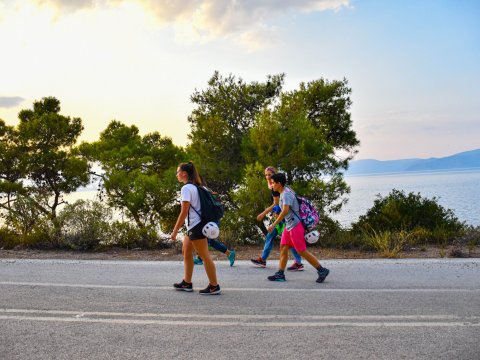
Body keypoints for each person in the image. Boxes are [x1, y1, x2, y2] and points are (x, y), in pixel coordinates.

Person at [266, 172, 330, 283]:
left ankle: (322, 270)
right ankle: (280, 274)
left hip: (295, 226)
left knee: (301, 251)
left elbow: (285, 211)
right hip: (289, 226)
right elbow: (285, 209)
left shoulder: (286, 194)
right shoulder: (284, 191)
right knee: (283, 247)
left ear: (279, 184)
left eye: (273, 183)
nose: (272, 185)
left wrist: (273, 225)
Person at [170, 161, 221, 295]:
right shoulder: (198, 187)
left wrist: (175, 230)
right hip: (195, 225)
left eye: (178, 172)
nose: (176, 174)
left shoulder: (186, 188)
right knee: (186, 252)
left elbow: (184, 211)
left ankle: (214, 286)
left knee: (204, 256)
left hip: (196, 226)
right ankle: (187, 282)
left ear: (184, 173)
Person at [251, 166, 304, 271]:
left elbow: (277, 203)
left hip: (284, 217)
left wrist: (264, 213)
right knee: (279, 239)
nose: (267, 177)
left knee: (286, 240)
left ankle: (297, 263)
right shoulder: (275, 185)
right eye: (266, 175)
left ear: (274, 175)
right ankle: (297, 262)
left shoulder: (276, 187)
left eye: (269, 175)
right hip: (283, 216)